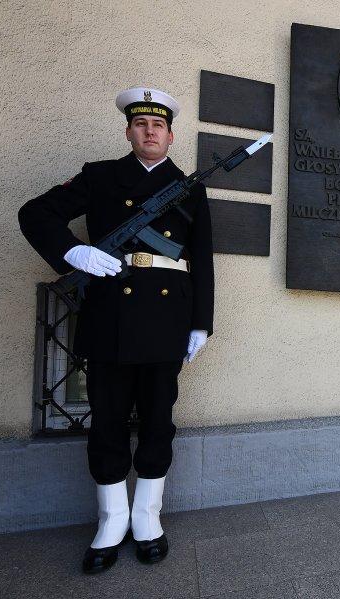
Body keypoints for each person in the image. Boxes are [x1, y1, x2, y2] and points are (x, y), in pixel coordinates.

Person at [18, 87, 214, 572]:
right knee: (106, 420)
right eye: (141, 125)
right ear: (128, 132)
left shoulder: (190, 188)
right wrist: (72, 252)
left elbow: (202, 260)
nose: (150, 132)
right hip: (111, 316)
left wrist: (201, 323)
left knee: (157, 419)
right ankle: (111, 520)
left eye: (159, 126)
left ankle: (148, 517)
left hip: (168, 320)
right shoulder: (100, 177)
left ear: (170, 136)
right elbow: (35, 213)